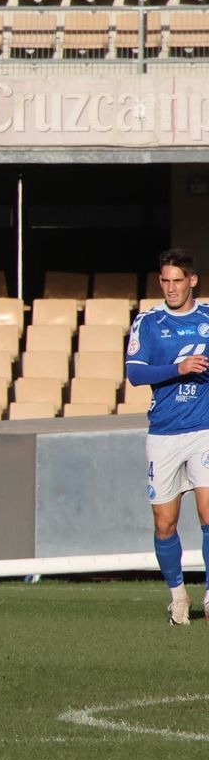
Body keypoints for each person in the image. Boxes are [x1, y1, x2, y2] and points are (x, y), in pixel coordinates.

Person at [126, 248, 209, 625]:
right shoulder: (148, 321)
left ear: (193, 280)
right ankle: (178, 595)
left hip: (204, 429)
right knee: (165, 523)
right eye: (165, 280)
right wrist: (180, 367)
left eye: (178, 280)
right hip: (164, 432)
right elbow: (136, 374)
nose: (171, 287)